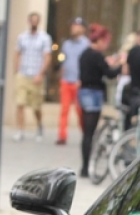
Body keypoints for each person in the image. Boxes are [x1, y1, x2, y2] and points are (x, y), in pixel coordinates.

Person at [77, 23, 119, 175]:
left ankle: (84, 166)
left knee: (86, 132)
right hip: (94, 93)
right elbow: (109, 74)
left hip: (83, 92)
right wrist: (120, 66)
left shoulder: (84, 54)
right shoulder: (97, 56)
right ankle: (86, 166)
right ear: (100, 40)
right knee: (91, 132)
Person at [14, 12, 51, 141]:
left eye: (36, 20)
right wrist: (17, 70)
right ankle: (20, 130)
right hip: (23, 74)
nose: (34, 23)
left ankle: (39, 126)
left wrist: (41, 74)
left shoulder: (44, 38)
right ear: (29, 21)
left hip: (36, 75)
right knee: (20, 103)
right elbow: (18, 53)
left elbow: (47, 57)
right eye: (32, 20)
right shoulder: (22, 37)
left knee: (36, 106)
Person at [56, 17, 89, 145]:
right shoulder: (66, 44)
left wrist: (82, 79)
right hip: (66, 80)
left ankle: (85, 135)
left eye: (75, 26)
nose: (73, 28)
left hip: (78, 82)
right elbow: (63, 61)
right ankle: (62, 136)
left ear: (82, 29)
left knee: (80, 111)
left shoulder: (86, 44)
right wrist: (61, 76)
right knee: (64, 109)